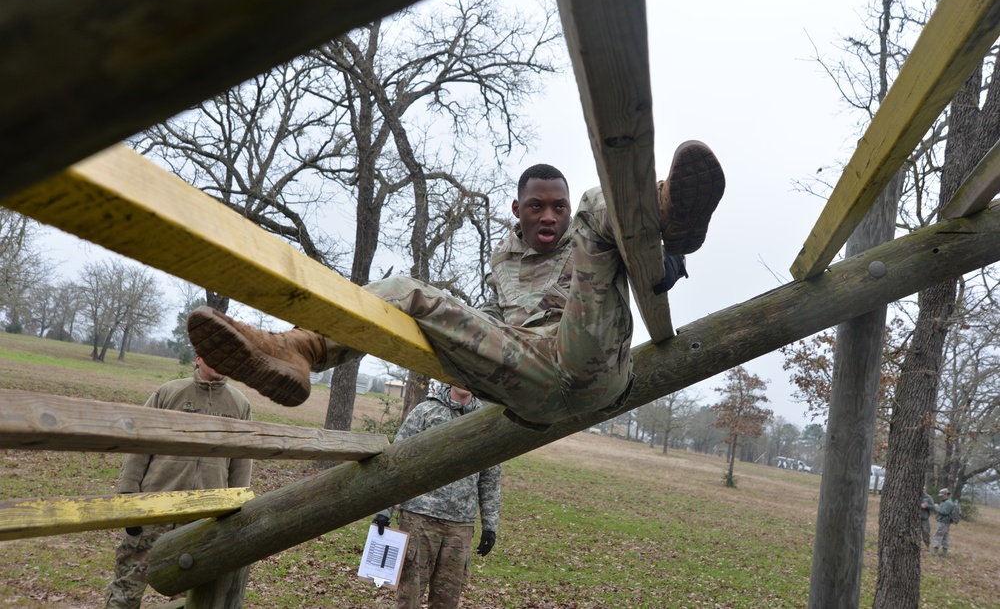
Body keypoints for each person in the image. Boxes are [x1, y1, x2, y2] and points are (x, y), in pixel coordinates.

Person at [187, 141, 725, 428]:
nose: (549, 217)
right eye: (536, 206)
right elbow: (492, 322)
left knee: (596, 202)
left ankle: (666, 210)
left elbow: (648, 271)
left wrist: (669, 255)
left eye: (556, 208)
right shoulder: (501, 262)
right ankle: (298, 352)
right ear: (517, 209)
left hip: (592, 359)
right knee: (402, 288)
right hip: (530, 381)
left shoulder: (587, 238)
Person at [102, 355, 253, 609]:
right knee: (126, 591)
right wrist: (128, 500)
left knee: (189, 598)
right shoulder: (169, 393)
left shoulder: (240, 404)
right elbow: (140, 444)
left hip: (203, 518)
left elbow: (241, 461)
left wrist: (236, 510)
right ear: (198, 357)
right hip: (155, 509)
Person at [371, 382, 501, 608]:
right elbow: (397, 460)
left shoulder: (485, 419)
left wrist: (490, 525)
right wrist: (385, 509)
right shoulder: (425, 411)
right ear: (450, 378)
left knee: (446, 601)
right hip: (419, 519)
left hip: (460, 526)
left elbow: (490, 476)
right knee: (408, 597)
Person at [932, 487, 957, 556]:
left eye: (942, 495)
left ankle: (935, 551)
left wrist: (937, 507)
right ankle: (944, 552)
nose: (941, 497)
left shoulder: (948, 503)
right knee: (945, 536)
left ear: (946, 494)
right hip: (945, 521)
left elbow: (944, 512)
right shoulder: (946, 502)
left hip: (944, 522)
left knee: (938, 535)